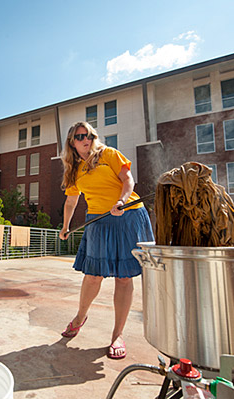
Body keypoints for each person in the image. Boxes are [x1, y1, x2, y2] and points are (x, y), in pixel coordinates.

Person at [59, 121, 154, 360]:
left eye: (89, 135)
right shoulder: (73, 170)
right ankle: (80, 317)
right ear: (72, 141)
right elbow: (71, 201)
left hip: (127, 214)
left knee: (123, 278)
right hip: (98, 220)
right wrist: (65, 225)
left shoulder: (109, 154)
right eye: (80, 136)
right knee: (93, 275)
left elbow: (128, 180)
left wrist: (121, 201)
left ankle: (117, 335)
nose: (85, 139)